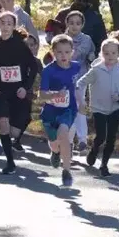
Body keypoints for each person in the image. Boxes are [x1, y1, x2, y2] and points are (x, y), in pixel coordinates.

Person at [0, 12, 40, 175]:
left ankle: (10, 142)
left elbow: (34, 67)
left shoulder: (20, 45)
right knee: (3, 123)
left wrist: (26, 87)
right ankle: (10, 162)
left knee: (13, 132)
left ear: (13, 26)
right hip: (2, 92)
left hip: (18, 93)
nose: (5, 26)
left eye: (9, 23)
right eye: (3, 22)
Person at [77, 32, 119, 177]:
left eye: (113, 53)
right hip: (98, 108)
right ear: (102, 54)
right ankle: (94, 150)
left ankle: (104, 165)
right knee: (101, 136)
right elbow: (81, 82)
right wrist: (77, 93)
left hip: (114, 109)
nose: (110, 56)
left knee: (111, 138)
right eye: (106, 53)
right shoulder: (96, 70)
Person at [42, 35, 83, 187]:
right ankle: (55, 152)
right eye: (59, 52)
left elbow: (76, 86)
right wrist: (55, 95)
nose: (63, 55)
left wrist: (82, 102)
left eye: (67, 52)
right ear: (53, 52)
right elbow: (42, 95)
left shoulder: (76, 67)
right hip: (50, 110)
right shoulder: (48, 71)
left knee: (64, 134)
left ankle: (66, 171)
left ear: (72, 52)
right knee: (54, 142)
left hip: (68, 109)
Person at [64, 10, 96, 151]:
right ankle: (69, 141)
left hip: (80, 78)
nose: (74, 26)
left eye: (77, 23)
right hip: (64, 78)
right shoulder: (62, 38)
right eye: (71, 23)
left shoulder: (86, 39)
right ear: (67, 24)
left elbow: (83, 53)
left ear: (82, 24)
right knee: (67, 109)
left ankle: (82, 139)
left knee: (79, 107)